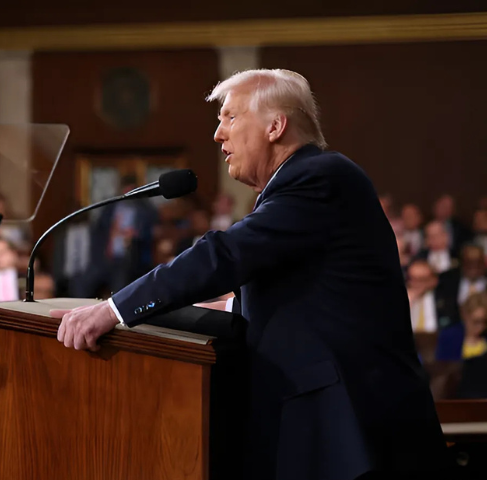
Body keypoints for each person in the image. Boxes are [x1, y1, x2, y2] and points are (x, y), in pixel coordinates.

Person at [51, 69, 448, 480]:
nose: (218, 135)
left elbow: (225, 254)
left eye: (231, 118)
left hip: (352, 429)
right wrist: (226, 304)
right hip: (328, 428)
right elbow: (304, 289)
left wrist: (114, 310)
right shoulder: (295, 187)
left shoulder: (320, 177)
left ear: (276, 126)